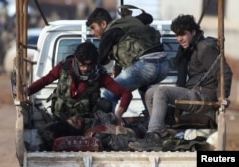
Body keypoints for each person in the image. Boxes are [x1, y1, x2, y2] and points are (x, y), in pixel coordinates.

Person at [128, 14, 233, 151]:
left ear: (193, 32)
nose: (179, 39)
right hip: (193, 92)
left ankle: (154, 136)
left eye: (182, 34)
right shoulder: (189, 49)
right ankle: (160, 131)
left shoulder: (205, 47)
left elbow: (225, 72)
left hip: (204, 96)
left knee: (162, 92)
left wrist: (221, 97)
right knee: (150, 93)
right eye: (177, 35)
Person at [26, 42, 132, 128]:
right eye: (82, 65)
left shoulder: (99, 75)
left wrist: (118, 115)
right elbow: (45, 80)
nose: (85, 69)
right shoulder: (64, 68)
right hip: (62, 119)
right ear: (76, 60)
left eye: (89, 65)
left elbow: (126, 93)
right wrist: (28, 91)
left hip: (85, 122)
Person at [86, 7, 169, 114]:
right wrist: (132, 19)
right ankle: (153, 122)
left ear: (103, 24)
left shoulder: (109, 33)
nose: (92, 33)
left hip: (146, 67)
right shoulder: (127, 23)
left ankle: (107, 126)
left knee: (109, 94)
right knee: (144, 89)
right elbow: (148, 17)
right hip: (164, 66)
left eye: (93, 27)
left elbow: (99, 60)